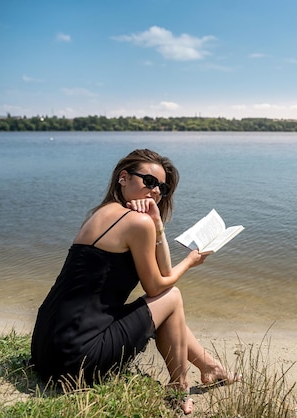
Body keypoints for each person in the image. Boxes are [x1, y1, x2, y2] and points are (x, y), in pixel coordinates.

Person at [31, 149, 238, 414]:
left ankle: (210, 367)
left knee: (165, 301)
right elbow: (157, 287)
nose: (154, 192)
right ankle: (180, 386)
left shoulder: (103, 212)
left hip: (45, 350)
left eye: (161, 188)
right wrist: (189, 262)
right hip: (75, 361)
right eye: (148, 182)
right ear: (123, 178)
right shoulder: (136, 223)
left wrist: (157, 225)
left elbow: (162, 274)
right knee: (171, 297)